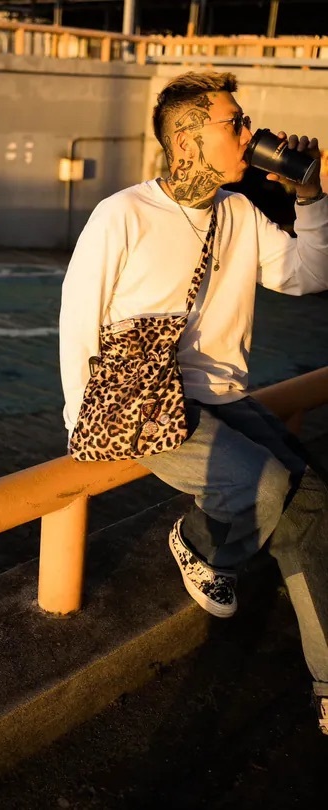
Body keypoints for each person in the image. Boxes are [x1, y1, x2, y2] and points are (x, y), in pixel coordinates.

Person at [58, 71, 328, 735]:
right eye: (234, 123)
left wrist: (310, 196)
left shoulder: (240, 212)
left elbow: (309, 275)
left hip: (225, 396)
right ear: (186, 140)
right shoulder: (122, 214)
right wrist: (85, 422)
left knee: (313, 503)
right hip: (146, 404)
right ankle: (203, 544)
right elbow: (77, 318)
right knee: (269, 489)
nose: (249, 132)